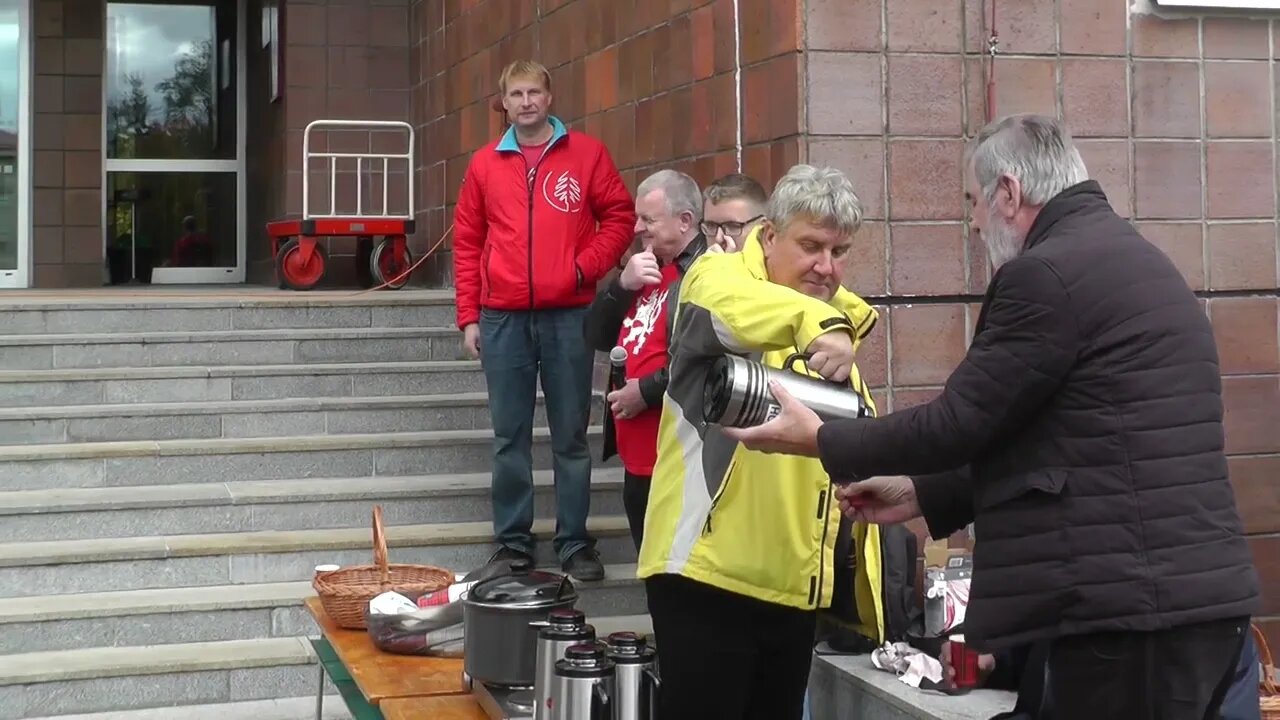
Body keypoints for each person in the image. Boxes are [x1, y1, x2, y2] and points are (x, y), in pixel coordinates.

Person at [722, 114, 1261, 720]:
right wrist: (924, 493)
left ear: (1009, 193)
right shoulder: (1133, 261)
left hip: (1128, 612)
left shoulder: (1045, 274)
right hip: (1192, 603)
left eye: (975, 203)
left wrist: (823, 439)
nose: (974, 222)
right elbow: (1060, 440)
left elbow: (960, 422)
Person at [638, 164, 886, 720]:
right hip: (706, 578)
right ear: (769, 236)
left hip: (793, 592)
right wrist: (819, 322)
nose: (826, 266)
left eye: (840, 250)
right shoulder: (716, 280)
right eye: (811, 245)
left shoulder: (834, 328)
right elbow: (734, 308)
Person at [452, 59, 636, 581]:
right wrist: (470, 317)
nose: (527, 101)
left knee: (570, 435)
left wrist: (585, 266)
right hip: (502, 318)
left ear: (549, 98)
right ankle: (513, 542)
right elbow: (467, 243)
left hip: (568, 316)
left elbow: (619, 217)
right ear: (503, 102)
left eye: (535, 92)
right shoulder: (485, 164)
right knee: (509, 436)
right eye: (517, 94)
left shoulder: (587, 154)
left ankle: (575, 543)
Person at [583, 169, 709, 551]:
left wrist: (648, 391)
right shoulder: (645, 266)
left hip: (679, 457)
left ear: (685, 220)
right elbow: (594, 335)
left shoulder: (704, 275)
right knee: (651, 572)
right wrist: (622, 285)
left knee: (678, 580)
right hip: (637, 457)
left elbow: (708, 360)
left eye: (648, 219)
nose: (637, 227)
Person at [700, 172, 768, 252]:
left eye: (732, 226)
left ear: (763, 228)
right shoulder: (698, 264)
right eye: (711, 226)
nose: (718, 238)